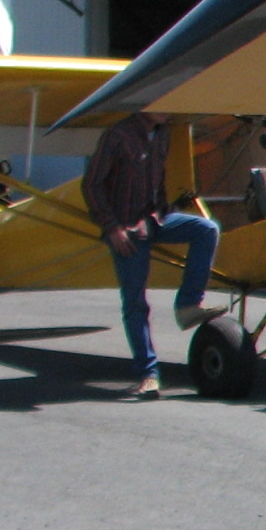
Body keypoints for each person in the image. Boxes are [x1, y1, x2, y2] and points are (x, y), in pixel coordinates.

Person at [83, 111, 224, 398]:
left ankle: (188, 305)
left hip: (154, 221)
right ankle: (148, 374)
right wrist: (113, 228)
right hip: (125, 230)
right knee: (136, 302)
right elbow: (91, 185)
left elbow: (157, 183)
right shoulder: (118, 135)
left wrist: (159, 212)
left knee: (206, 229)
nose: (171, 109)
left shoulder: (162, 134)